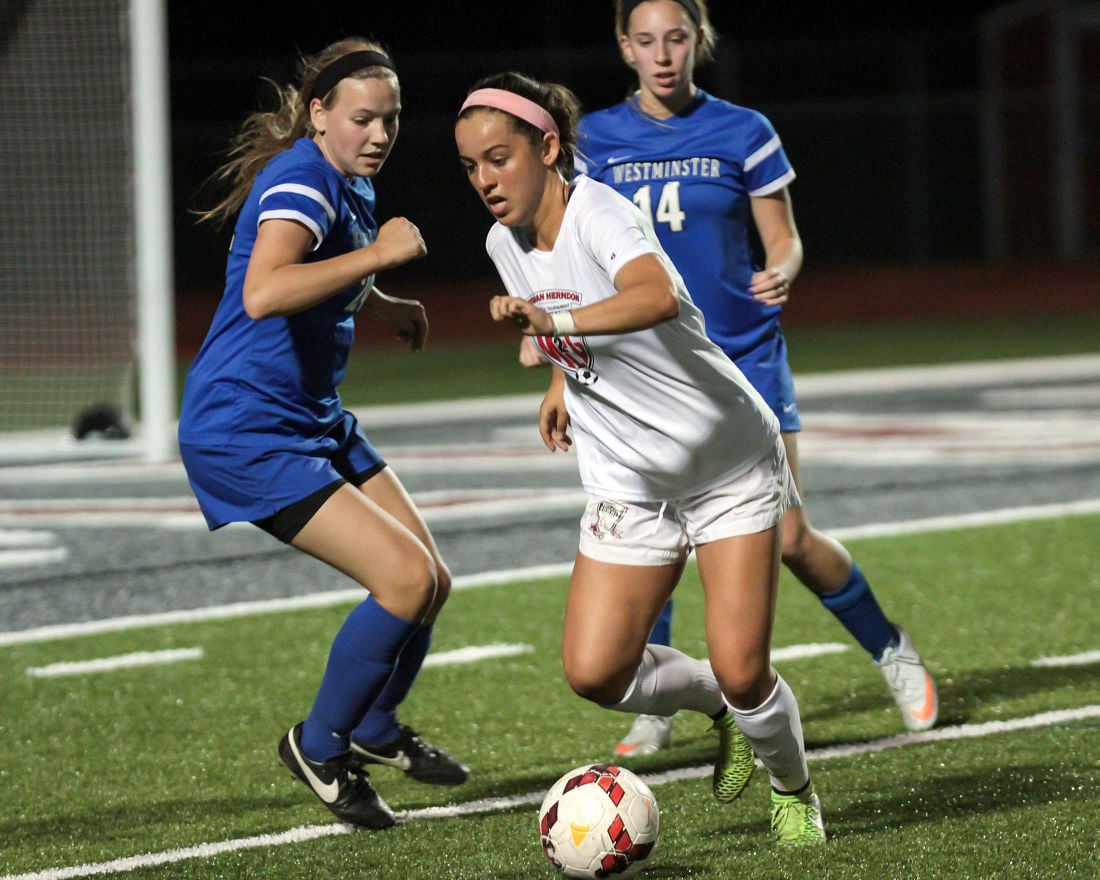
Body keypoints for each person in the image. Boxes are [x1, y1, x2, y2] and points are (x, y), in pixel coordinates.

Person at [522, 0, 939, 757]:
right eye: (645, 40)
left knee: (786, 536)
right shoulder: (597, 141)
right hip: (639, 376)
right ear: (623, 47)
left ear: (698, 42)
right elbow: (569, 273)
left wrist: (781, 270)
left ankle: (890, 649)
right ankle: (664, 699)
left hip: (741, 359)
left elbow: (783, 239)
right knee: (657, 531)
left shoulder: (744, 131)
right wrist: (560, 381)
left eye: (676, 37)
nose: (663, 53)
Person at [456, 71, 826, 845]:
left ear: (548, 147)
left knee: (743, 666)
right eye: (471, 166)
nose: (486, 181)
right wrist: (561, 372)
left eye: (499, 158)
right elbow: (559, 311)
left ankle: (792, 787)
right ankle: (720, 714)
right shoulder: (503, 242)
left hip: (724, 464)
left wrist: (552, 333)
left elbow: (652, 295)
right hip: (630, 477)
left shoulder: (600, 210)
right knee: (596, 672)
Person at [178, 38, 468, 829]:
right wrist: (378, 257)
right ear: (319, 114)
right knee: (404, 582)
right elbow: (268, 290)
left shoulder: (344, 179)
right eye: (363, 119)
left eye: (391, 120)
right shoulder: (303, 177)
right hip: (247, 429)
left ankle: (374, 726)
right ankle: (321, 744)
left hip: (309, 416)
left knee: (432, 581)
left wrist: (378, 299)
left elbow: (330, 267)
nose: (379, 134)